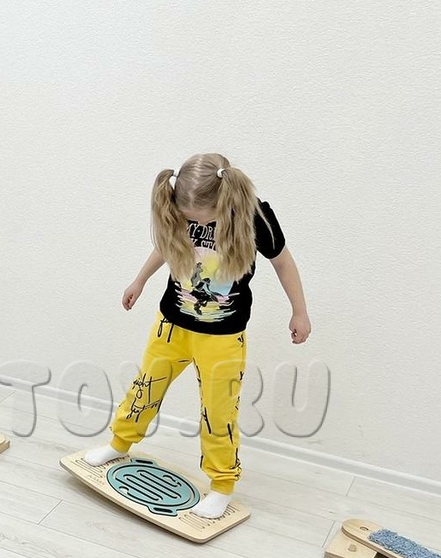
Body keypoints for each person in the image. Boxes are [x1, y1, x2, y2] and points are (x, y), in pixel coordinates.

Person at [83, 153, 311, 520]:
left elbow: (282, 262)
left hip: (222, 336)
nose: (197, 223)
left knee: (219, 411)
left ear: (224, 199)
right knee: (145, 388)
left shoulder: (254, 216)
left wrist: (299, 311)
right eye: (190, 218)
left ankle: (222, 484)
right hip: (172, 326)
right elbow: (166, 246)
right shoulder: (181, 210)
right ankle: (120, 442)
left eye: (203, 218)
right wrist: (139, 281)